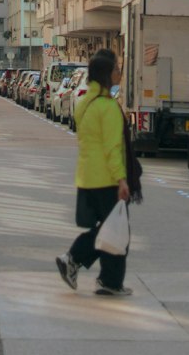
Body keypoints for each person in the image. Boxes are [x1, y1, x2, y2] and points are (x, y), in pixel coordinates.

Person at [55, 49, 132, 297]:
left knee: (106, 230)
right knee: (116, 233)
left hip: (87, 177)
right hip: (107, 179)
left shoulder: (85, 103)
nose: (120, 73)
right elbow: (112, 147)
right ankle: (105, 278)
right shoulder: (107, 107)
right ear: (107, 75)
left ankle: (81, 264)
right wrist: (121, 179)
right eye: (116, 70)